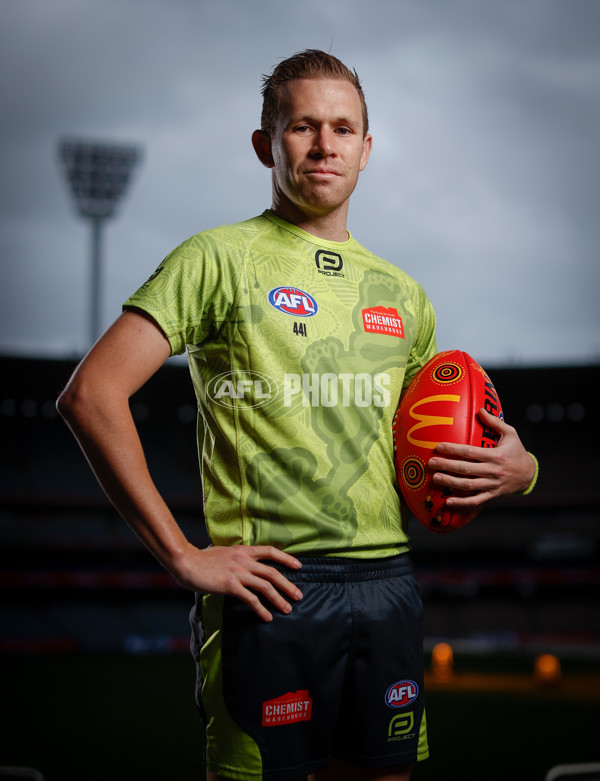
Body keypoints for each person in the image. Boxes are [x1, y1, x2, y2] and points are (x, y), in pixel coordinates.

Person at [57, 49, 537, 781]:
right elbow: (91, 394)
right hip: (273, 587)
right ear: (265, 143)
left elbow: (435, 444)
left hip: (388, 585)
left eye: (343, 128)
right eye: (302, 126)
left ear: (367, 149)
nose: (324, 145)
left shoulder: (404, 294)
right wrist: (182, 556)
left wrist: (522, 468)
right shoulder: (217, 259)